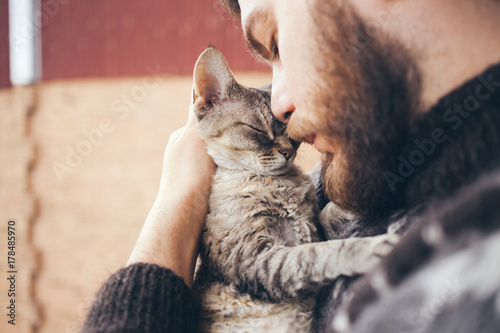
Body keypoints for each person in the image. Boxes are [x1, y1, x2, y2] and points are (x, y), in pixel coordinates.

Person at [82, 0, 500, 332]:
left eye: (276, 44)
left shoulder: (463, 286)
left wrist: (170, 218)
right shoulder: (371, 170)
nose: (280, 106)